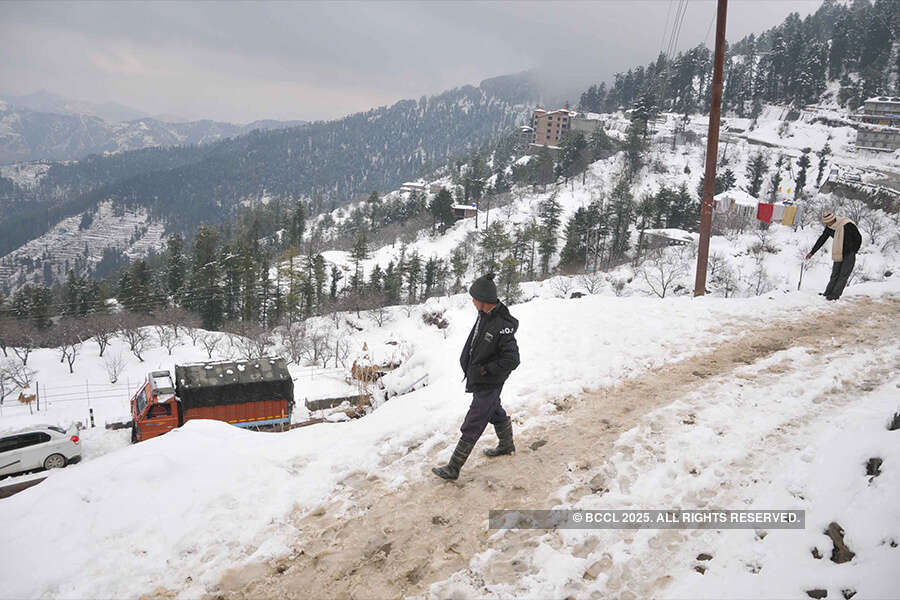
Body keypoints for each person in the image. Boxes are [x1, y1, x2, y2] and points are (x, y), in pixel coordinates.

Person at [432, 273, 520, 481]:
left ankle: (454, 467)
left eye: (474, 298)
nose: (472, 301)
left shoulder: (502, 324)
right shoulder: (485, 316)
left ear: (483, 301)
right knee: (494, 410)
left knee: (475, 420)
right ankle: (507, 445)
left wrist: (485, 370)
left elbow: (513, 359)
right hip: (481, 380)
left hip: (490, 381)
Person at [805, 210, 862, 301]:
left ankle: (835, 295)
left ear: (832, 220)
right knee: (835, 274)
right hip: (838, 252)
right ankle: (827, 293)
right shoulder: (830, 227)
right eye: (825, 223)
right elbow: (822, 239)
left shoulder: (847, 224)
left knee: (843, 275)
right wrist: (812, 252)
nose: (827, 225)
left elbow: (858, 237)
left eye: (828, 222)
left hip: (849, 253)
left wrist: (854, 250)